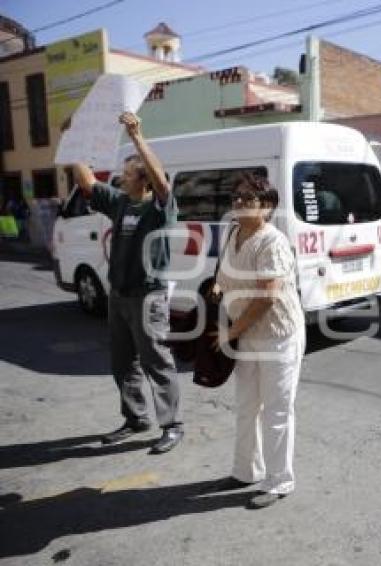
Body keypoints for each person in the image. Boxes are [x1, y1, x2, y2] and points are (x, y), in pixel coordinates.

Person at [71, 111, 183, 454]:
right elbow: (88, 184)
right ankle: (136, 418)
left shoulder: (161, 208)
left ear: (143, 180)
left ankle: (172, 424)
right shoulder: (120, 202)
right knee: (122, 362)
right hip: (119, 295)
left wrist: (136, 136)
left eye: (127, 174)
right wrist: (75, 143)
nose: (121, 178)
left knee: (156, 360)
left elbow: (163, 181)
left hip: (148, 296)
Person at [207, 174, 306, 510]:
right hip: (246, 333)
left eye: (247, 199)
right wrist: (216, 294)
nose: (238, 203)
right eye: (236, 197)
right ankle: (246, 471)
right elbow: (223, 276)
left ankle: (280, 481)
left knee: (277, 411)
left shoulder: (272, 241)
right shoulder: (234, 233)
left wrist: (230, 334)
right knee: (247, 406)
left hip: (278, 336)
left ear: (266, 206)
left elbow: (266, 297)